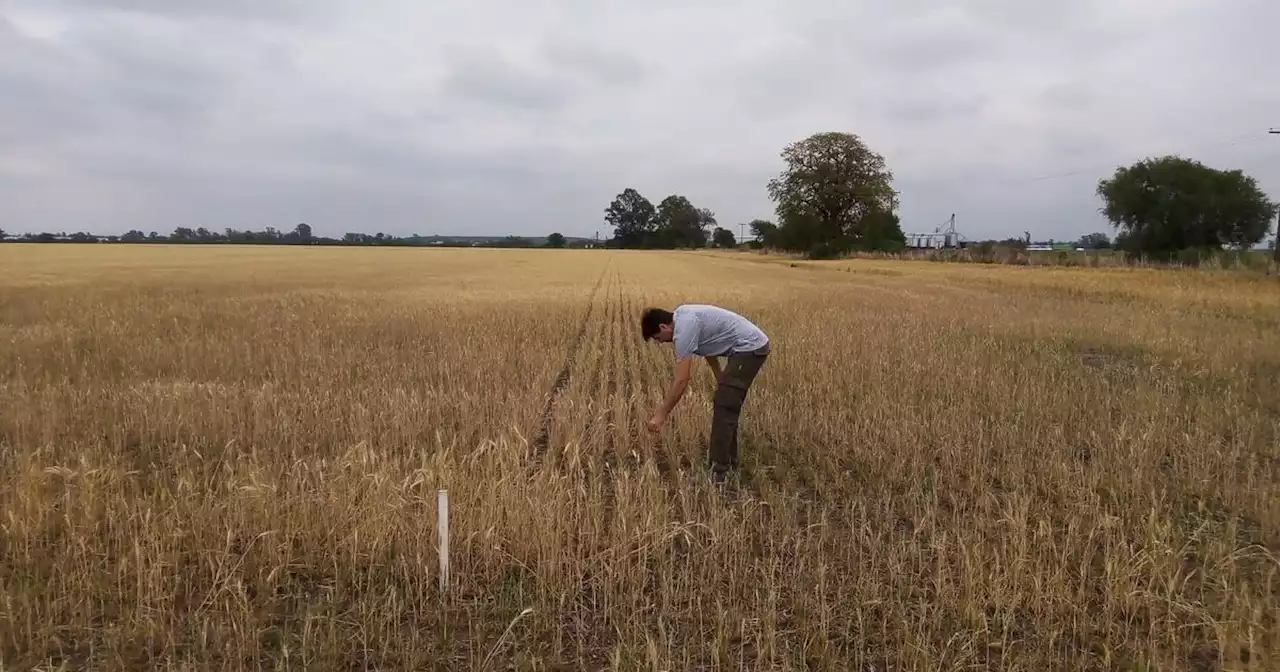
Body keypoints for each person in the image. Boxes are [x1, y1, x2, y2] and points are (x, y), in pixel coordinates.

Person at [640, 304, 771, 482]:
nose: (661, 342)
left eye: (658, 338)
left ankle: (718, 473)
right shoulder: (683, 316)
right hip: (746, 348)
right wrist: (720, 377)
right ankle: (729, 463)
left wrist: (661, 415)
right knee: (725, 402)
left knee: (725, 406)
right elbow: (708, 347)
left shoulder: (683, 331)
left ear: (664, 327)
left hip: (750, 348)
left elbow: (682, 380)